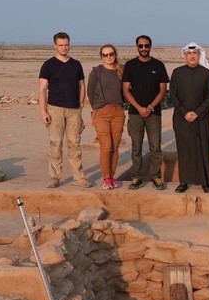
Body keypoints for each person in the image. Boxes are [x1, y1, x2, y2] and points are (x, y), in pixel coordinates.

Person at [38, 31, 93, 188]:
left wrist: (81, 105)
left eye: (66, 45)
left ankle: (79, 178)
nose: (64, 48)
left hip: (74, 110)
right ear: (55, 45)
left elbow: (82, 85)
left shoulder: (76, 64)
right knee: (55, 143)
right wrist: (43, 111)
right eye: (61, 45)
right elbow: (42, 89)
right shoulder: (48, 65)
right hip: (54, 109)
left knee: (74, 143)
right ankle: (55, 177)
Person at [122, 35, 170, 190]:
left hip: (154, 114)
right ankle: (136, 177)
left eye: (146, 46)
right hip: (135, 114)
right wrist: (139, 108)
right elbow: (126, 90)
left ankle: (156, 177)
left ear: (150, 46)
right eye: (141, 46)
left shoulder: (159, 65)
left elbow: (163, 90)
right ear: (137, 47)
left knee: (155, 147)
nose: (144, 48)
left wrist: (149, 107)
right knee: (136, 147)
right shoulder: (130, 65)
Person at [168, 43, 209, 193]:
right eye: (189, 54)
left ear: (199, 55)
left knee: (202, 148)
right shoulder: (177, 72)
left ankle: (206, 182)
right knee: (184, 150)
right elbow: (173, 96)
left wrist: (197, 112)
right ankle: (184, 181)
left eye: (195, 53)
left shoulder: (207, 74)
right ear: (184, 56)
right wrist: (185, 113)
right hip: (181, 119)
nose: (192, 56)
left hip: (201, 118)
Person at [87, 43, 126, 189]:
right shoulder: (96, 72)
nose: (108, 57)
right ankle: (106, 178)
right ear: (101, 57)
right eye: (105, 55)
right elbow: (90, 92)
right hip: (101, 112)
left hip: (118, 112)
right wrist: (97, 107)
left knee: (115, 147)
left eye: (111, 54)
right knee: (106, 146)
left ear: (115, 54)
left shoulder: (121, 70)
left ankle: (112, 177)